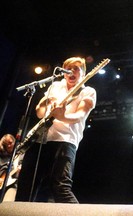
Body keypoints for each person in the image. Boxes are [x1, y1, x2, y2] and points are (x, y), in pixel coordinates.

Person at [15, 57, 96, 203]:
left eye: (76, 68)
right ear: (63, 72)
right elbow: (40, 112)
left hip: (65, 140)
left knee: (61, 187)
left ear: (83, 73)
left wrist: (62, 116)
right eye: (68, 69)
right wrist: (48, 103)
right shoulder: (56, 86)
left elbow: (80, 115)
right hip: (41, 139)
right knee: (26, 185)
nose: (72, 72)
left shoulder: (88, 91)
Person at [0, 134, 21, 201]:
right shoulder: (2, 158)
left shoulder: (20, 155)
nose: (9, 145)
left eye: (10, 143)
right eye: (6, 145)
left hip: (13, 186)